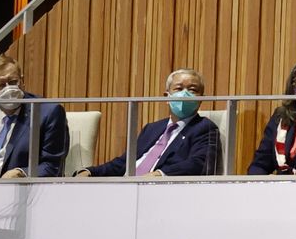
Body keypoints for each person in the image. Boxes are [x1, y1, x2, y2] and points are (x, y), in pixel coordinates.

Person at [73, 68, 222, 177]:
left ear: (202, 98)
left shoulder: (205, 128)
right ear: (166, 96)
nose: (185, 94)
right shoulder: (152, 128)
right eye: (178, 88)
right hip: (126, 186)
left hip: (159, 191)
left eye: (193, 89)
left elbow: (199, 163)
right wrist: (90, 171)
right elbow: (124, 162)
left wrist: (160, 174)